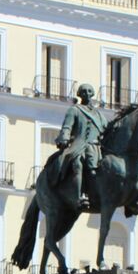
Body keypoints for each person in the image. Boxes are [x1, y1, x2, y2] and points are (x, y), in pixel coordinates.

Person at [54, 82, 105, 210]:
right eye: (83, 91)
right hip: (81, 144)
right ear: (79, 94)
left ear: (92, 94)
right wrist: (64, 137)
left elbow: (107, 129)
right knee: (78, 165)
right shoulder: (75, 110)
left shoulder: (99, 115)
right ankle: (79, 195)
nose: (86, 93)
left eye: (89, 91)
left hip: (97, 147)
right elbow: (67, 126)